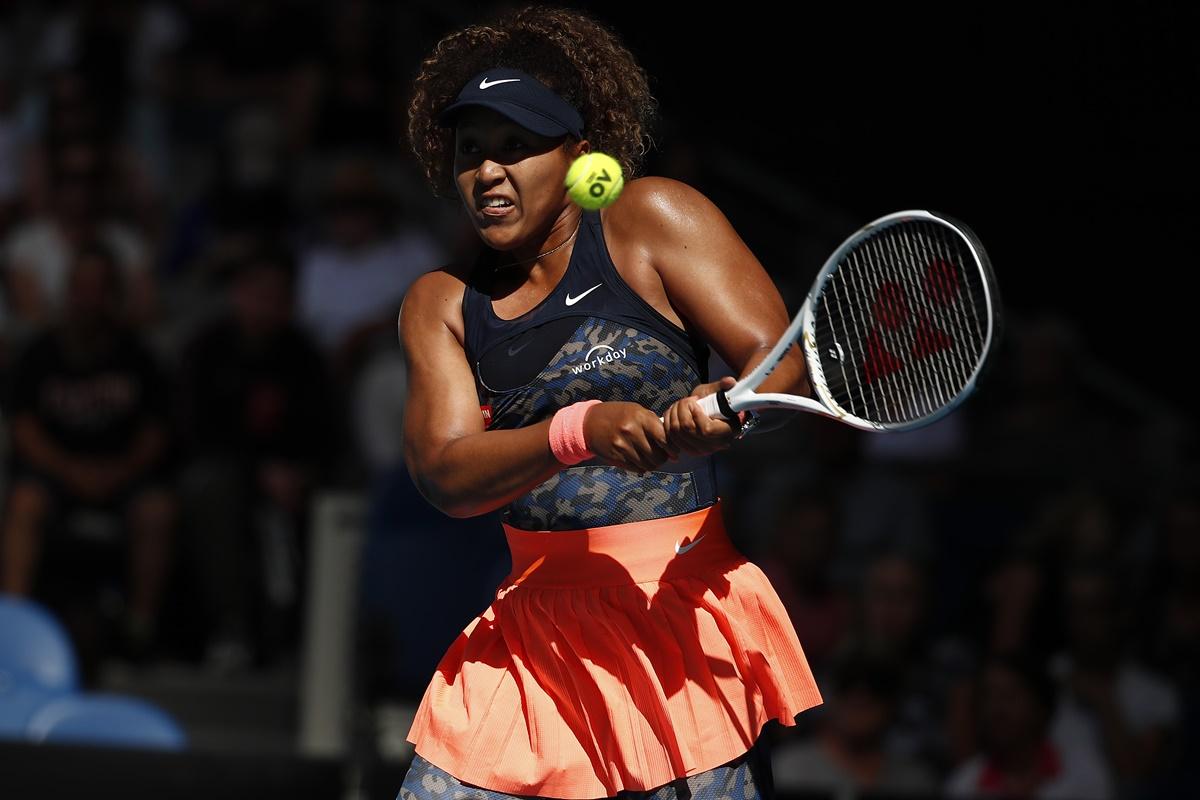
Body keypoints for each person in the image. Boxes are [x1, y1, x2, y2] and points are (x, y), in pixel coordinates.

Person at [396, 6, 822, 800]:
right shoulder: (442, 303)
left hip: (681, 619)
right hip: (525, 649)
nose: (488, 172)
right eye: (471, 153)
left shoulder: (650, 218)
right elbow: (447, 475)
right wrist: (576, 428)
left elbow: (781, 359)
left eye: (515, 148)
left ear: (579, 155)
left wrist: (725, 406)